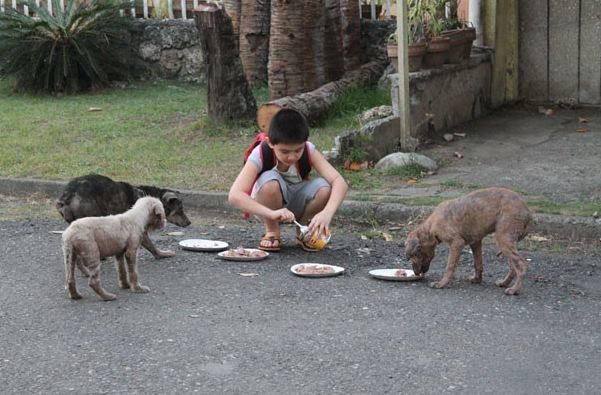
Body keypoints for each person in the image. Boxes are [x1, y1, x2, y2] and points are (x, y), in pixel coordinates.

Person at [228, 108, 348, 252]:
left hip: (296, 202)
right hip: (267, 207)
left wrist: (327, 213)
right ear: (271, 143)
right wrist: (272, 214)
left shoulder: (309, 150)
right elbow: (235, 195)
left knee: (325, 188)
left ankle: (304, 230)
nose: (292, 157)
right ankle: (272, 231)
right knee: (269, 182)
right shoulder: (260, 153)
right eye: (284, 152)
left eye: (298, 150)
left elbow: (339, 181)